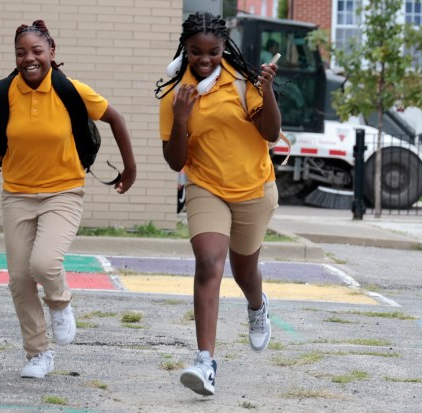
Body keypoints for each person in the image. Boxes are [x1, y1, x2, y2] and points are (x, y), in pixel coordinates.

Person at [0, 20, 136, 379]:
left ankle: (60, 304)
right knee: (18, 277)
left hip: (64, 191)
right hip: (17, 194)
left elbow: (116, 119)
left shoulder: (71, 90)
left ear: (51, 52)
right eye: (21, 52)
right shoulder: (2, 90)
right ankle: (38, 354)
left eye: (36, 51)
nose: (29, 58)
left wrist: (129, 169)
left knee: (43, 264)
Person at [155, 12, 280, 396]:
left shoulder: (244, 82)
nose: (204, 59)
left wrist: (269, 90)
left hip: (253, 189)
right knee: (209, 263)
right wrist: (181, 118)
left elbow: (271, 134)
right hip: (205, 187)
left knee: (245, 272)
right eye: (195, 52)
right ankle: (205, 361)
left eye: (212, 52)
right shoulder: (176, 92)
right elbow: (175, 161)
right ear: (185, 49)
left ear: (224, 47)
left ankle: (257, 308)